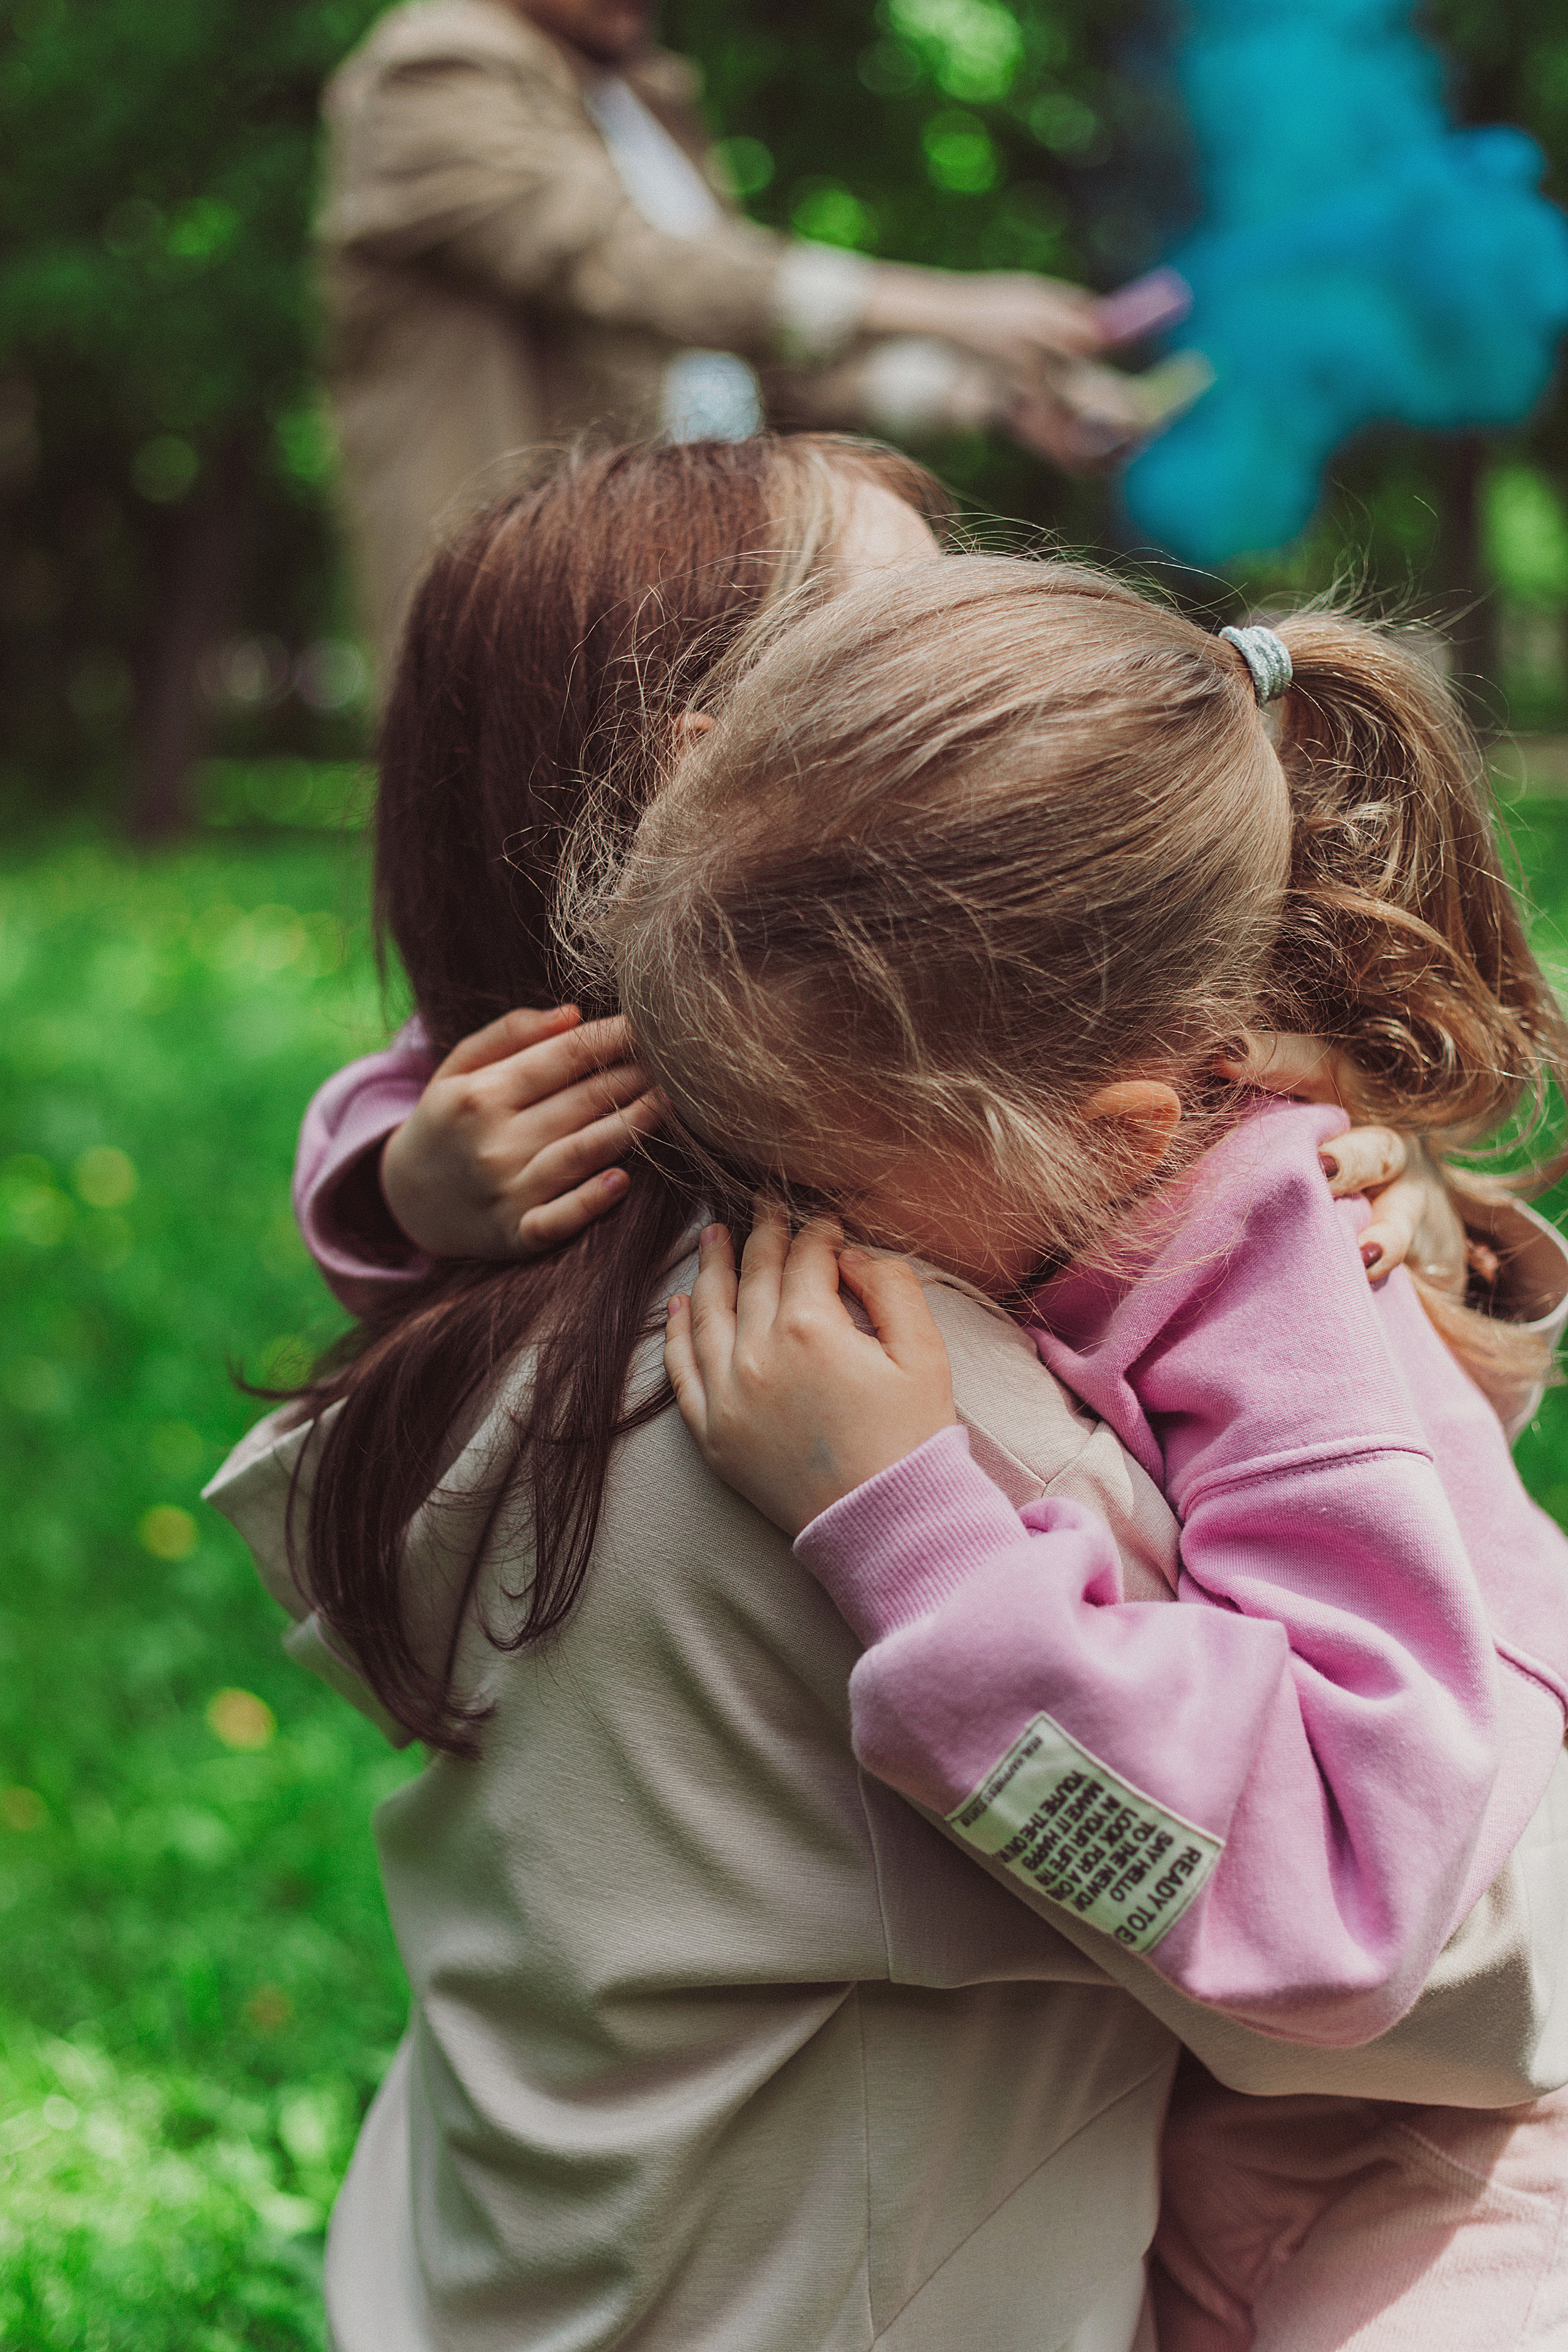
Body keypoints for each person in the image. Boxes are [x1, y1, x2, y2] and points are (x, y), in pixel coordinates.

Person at [208, 450, 1568, 2352]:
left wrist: (1416, 1231)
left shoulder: (548, 1344)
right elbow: (1462, 1970)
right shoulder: (848, 1388)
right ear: (674, 797)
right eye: (879, 643)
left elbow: (1429, 1918)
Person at [587, 557, 1568, 2343]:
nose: (766, 1205)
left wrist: (907, 1536)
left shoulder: (1289, 1307)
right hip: (1220, 2121)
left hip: (1443, 2165)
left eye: (821, 1174)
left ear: (1107, 1131)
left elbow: (1351, 1893)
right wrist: (403, 1178)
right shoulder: (867, 984)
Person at [316, 0, 1166, 671]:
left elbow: (735, 360)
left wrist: (994, 398)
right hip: (535, 615)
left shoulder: (635, 100)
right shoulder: (430, 70)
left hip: (686, 588)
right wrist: (949, 304)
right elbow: (626, 263)